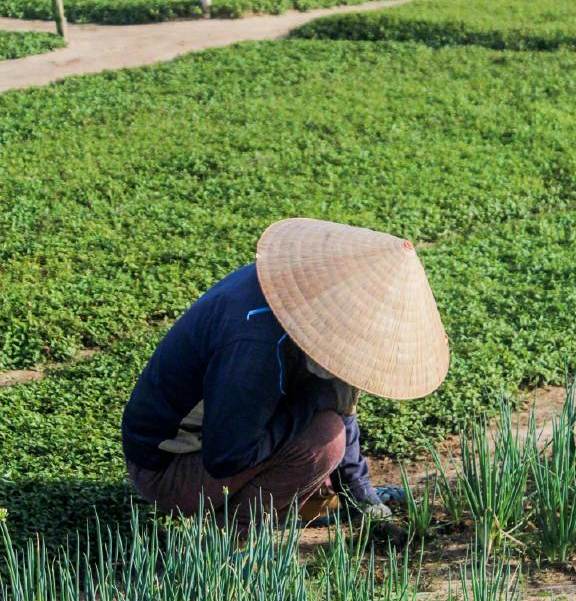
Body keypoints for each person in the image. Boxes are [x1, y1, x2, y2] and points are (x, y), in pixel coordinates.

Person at [121, 217, 450, 532]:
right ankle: (227, 539)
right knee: (324, 442)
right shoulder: (258, 342)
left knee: (323, 467)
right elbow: (227, 456)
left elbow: (343, 405)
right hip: (169, 467)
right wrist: (312, 402)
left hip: (224, 438)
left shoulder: (318, 304)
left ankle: (301, 498)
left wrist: (360, 495)